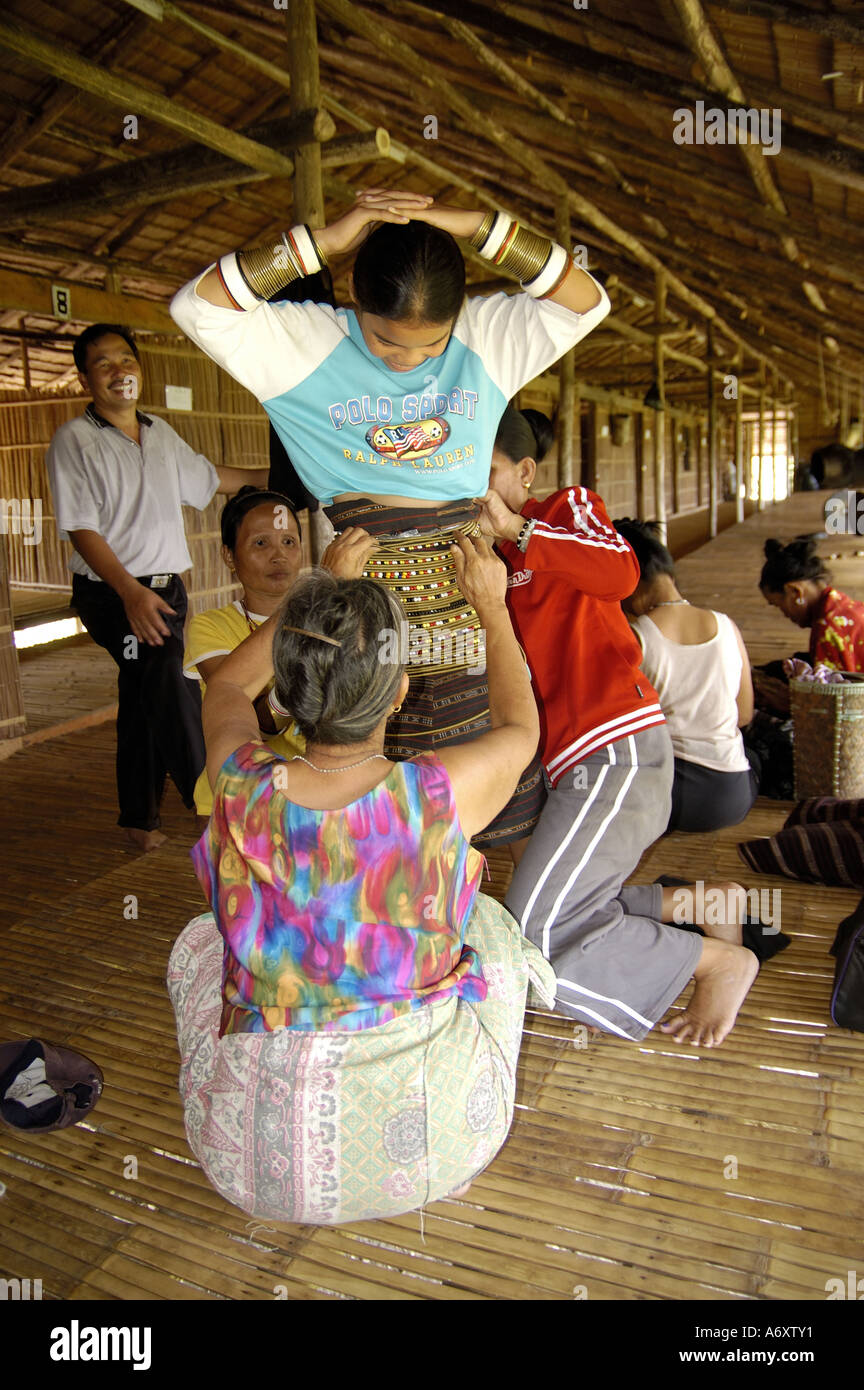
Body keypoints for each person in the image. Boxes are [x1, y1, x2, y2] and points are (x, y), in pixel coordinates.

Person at [170, 187, 611, 850]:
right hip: (364, 611)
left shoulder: (485, 337)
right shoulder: (307, 345)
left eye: (431, 346)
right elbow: (195, 306)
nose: (407, 359)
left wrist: (470, 226)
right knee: (366, 810)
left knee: (472, 816)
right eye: (384, 340)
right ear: (356, 302)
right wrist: (327, 238)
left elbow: (588, 300)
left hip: (465, 602)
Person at [166, 536, 556, 1224]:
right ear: (400, 692)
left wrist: (308, 599)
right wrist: (492, 607)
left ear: (286, 695)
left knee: (202, 941)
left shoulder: (238, 781)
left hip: (249, 1168)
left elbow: (227, 683)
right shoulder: (439, 795)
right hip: (444, 1146)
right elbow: (520, 724)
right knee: (490, 925)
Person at [477, 405, 759, 1048]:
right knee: (566, 910)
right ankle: (704, 907)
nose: (477, 490)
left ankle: (718, 962)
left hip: (616, 751)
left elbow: (620, 571)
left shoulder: (563, 513)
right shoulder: (487, 557)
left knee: (533, 935)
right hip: (571, 766)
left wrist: (520, 528)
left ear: (525, 471)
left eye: (488, 472)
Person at [46, 323, 268, 852]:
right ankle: (210, 804)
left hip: (167, 591)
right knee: (171, 681)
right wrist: (129, 592)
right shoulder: (73, 441)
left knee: (143, 695)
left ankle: (138, 821)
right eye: (104, 363)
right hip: (114, 593)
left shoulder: (159, 432)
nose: (119, 371)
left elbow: (209, 478)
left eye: (126, 359)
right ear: (85, 379)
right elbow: (81, 528)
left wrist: (272, 475)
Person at [615, 518, 758, 833]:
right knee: (754, 758)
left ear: (626, 581)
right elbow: (744, 715)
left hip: (669, 799)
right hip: (733, 794)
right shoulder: (727, 626)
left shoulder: (637, 638)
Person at [756, 538, 864, 717]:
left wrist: (786, 702)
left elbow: (829, 707)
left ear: (795, 592)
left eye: (778, 604)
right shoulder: (839, 604)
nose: (783, 613)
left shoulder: (828, 629)